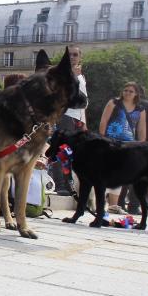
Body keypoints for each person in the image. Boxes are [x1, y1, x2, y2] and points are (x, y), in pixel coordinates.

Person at [98, 82, 147, 214]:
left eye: (131, 91)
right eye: (125, 90)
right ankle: (99, 202)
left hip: (128, 144)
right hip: (111, 141)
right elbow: (104, 121)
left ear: (136, 94)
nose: (127, 93)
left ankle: (113, 205)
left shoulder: (140, 109)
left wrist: (141, 146)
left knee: (118, 174)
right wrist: (102, 138)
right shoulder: (114, 103)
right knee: (105, 171)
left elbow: (141, 129)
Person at [51, 46, 87, 197]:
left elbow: (84, 101)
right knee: (62, 150)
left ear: (80, 57)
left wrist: (84, 122)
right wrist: (72, 75)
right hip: (64, 115)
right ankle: (61, 184)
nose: (72, 57)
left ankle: (71, 184)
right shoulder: (63, 74)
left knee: (75, 153)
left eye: (75, 55)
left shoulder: (81, 76)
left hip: (77, 117)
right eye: (70, 55)